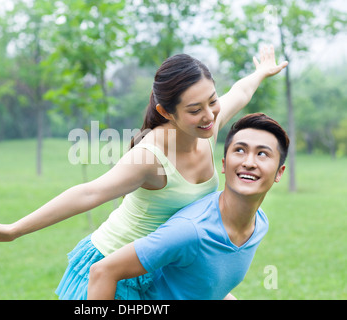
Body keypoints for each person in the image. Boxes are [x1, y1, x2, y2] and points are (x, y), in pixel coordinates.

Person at [0, 46, 288, 299]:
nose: (209, 115)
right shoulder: (150, 157)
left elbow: (240, 93)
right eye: (194, 109)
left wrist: (261, 73)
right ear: (166, 112)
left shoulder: (208, 127)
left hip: (157, 267)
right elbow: (89, 193)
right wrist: (14, 230)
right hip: (110, 269)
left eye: (212, 101)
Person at [87, 113, 289, 300]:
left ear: (279, 172)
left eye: (262, 154)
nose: (249, 162)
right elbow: (102, 271)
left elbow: (202, 284)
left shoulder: (259, 223)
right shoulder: (190, 230)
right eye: (240, 150)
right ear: (224, 164)